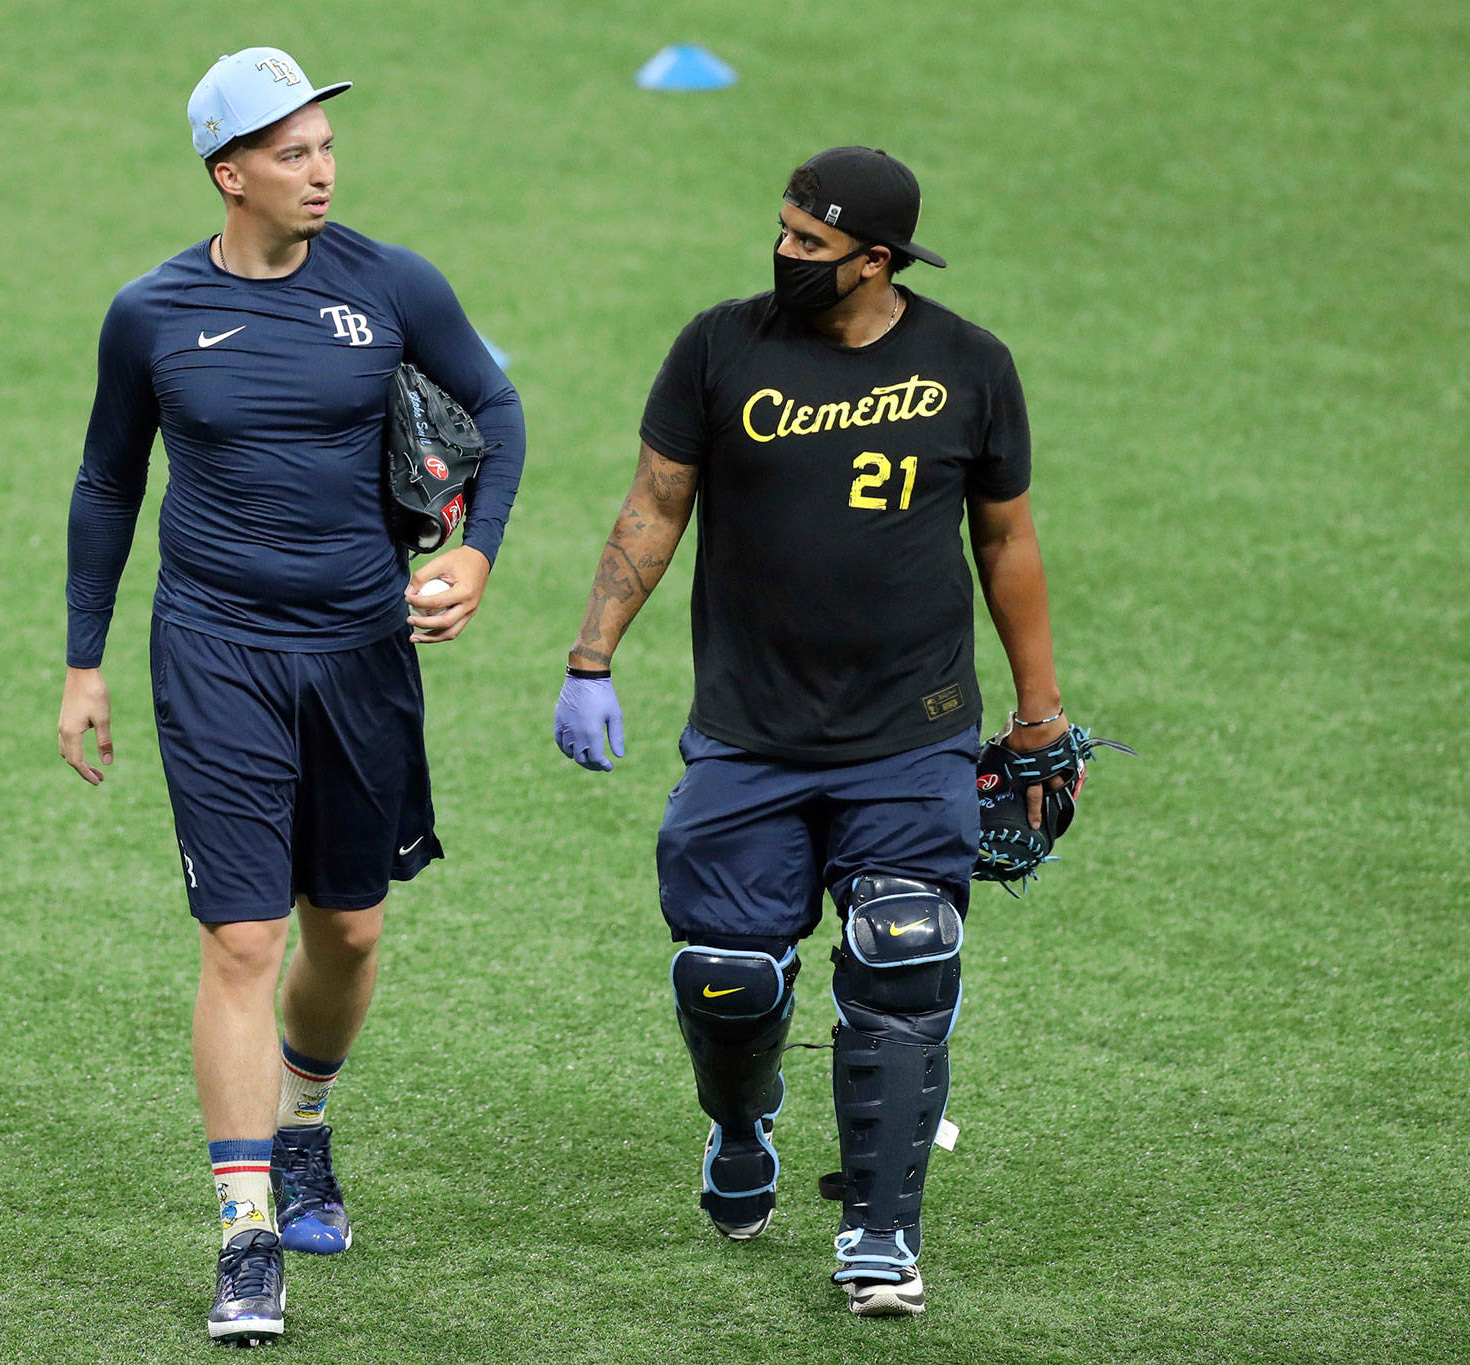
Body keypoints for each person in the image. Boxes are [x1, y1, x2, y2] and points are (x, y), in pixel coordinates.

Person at [553, 146, 1074, 1318]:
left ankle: (879, 1235)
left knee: (901, 951)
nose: (781, 254)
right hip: (749, 734)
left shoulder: (965, 365)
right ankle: (741, 1127)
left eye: (807, 243)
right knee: (727, 980)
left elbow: (1005, 542)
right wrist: (591, 657)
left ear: (872, 261)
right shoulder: (718, 346)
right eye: (781, 231)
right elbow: (655, 502)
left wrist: (1036, 715)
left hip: (912, 732)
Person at [56, 46, 525, 1346]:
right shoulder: (149, 314)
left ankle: (305, 1120)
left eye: (325, 146)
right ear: (231, 174)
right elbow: (108, 482)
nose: (323, 170)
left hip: (366, 653)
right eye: (294, 153)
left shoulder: (391, 287)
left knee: (351, 931)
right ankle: (248, 1229)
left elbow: (493, 402)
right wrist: (85, 660)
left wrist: (474, 547)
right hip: (215, 654)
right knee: (242, 941)